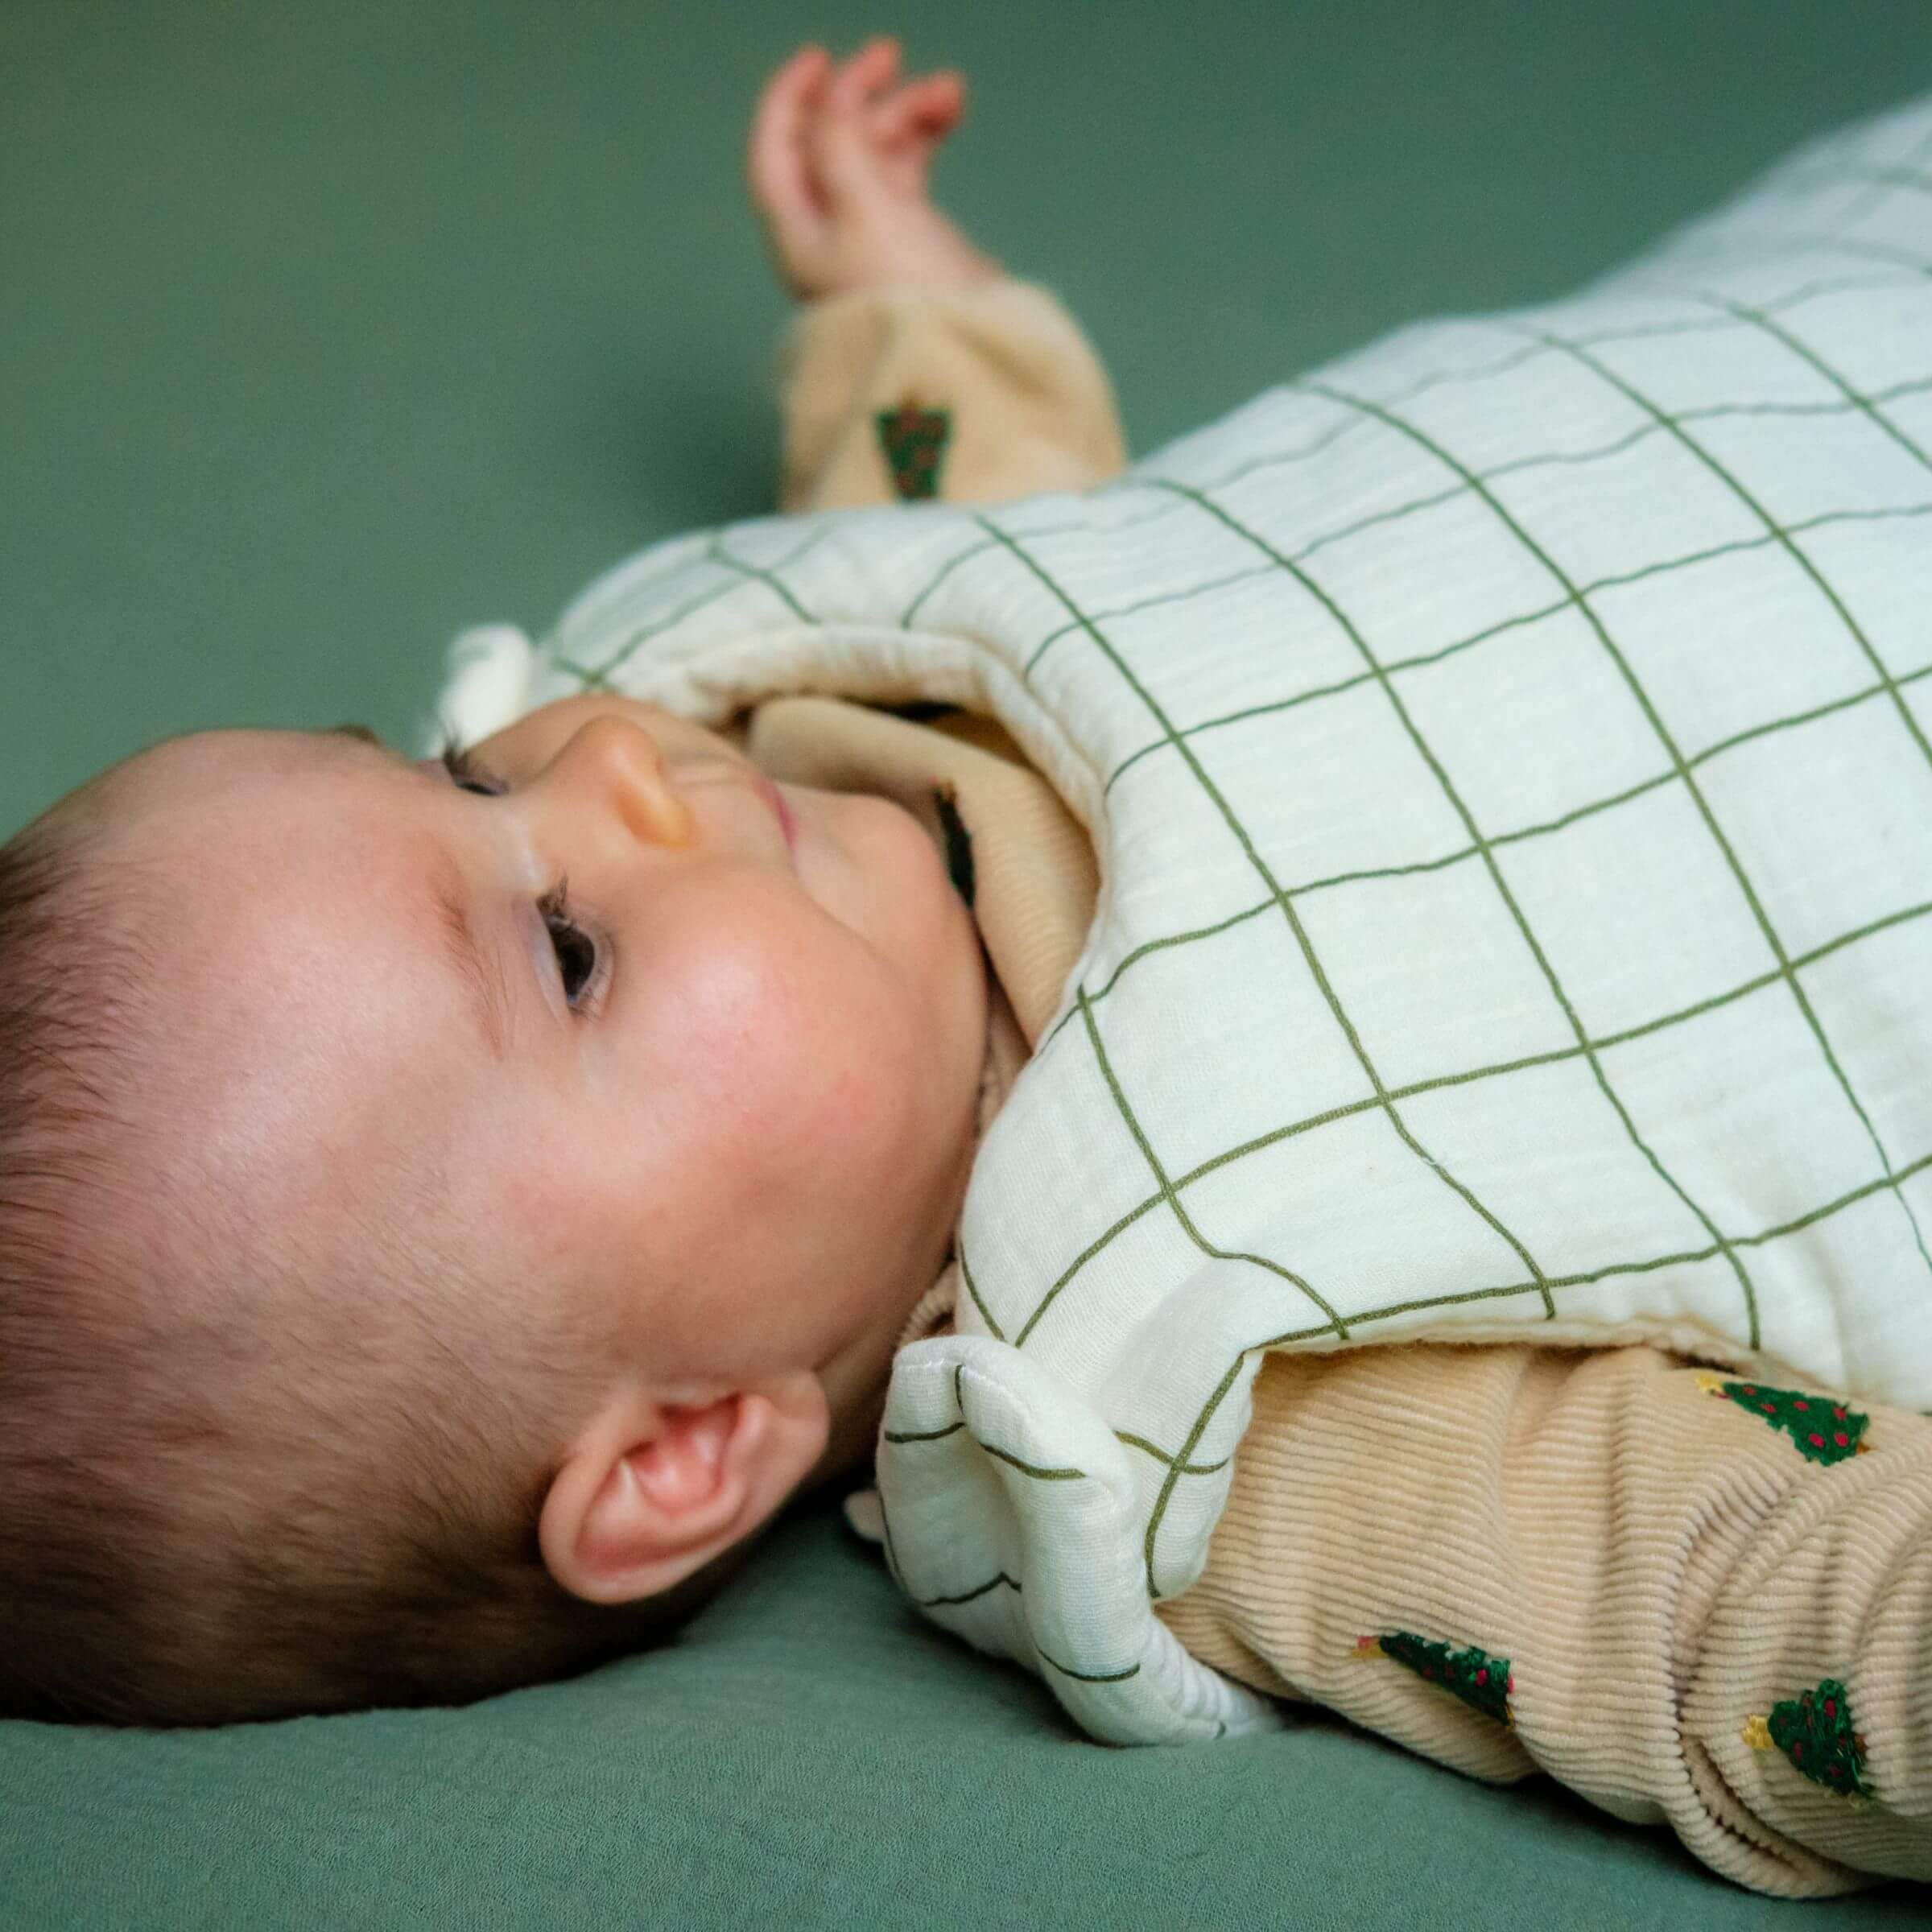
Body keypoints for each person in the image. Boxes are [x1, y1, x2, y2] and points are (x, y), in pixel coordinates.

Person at [0, 38, 1924, 1901]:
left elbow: (1002, 548)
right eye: (567, 953)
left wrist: (904, 314)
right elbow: (1711, 1594)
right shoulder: (1199, 1388)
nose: (607, 766)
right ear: (686, 1448)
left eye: (461, 773)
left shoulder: (832, 714)